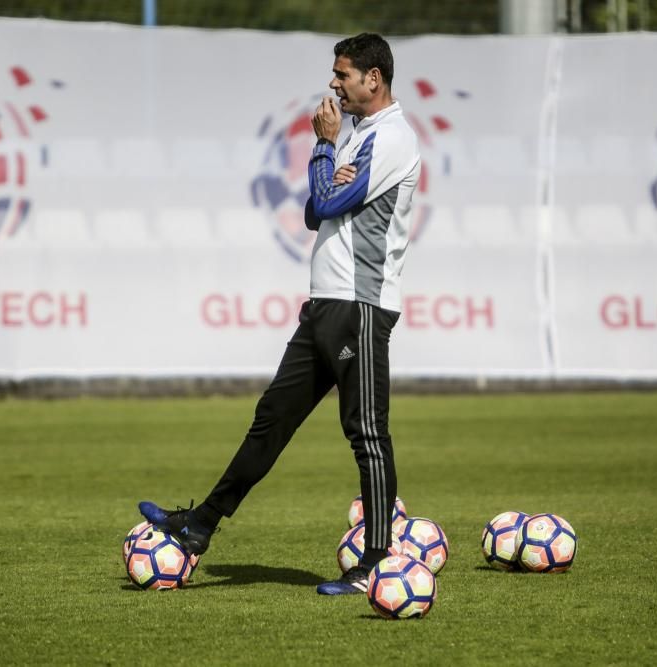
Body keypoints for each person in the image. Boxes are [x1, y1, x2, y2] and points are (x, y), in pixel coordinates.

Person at [139, 32, 422, 596]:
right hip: (324, 307)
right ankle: (200, 526)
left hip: (360, 307)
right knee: (271, 421)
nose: (333, 83)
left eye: (342, 74)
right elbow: (316, 210)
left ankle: (378, 561)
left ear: (374, 78)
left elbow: (330, 201)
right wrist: (328, 159)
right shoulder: (359, 135)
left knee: (366, 431)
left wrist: (322, 148)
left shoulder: (391, 138)